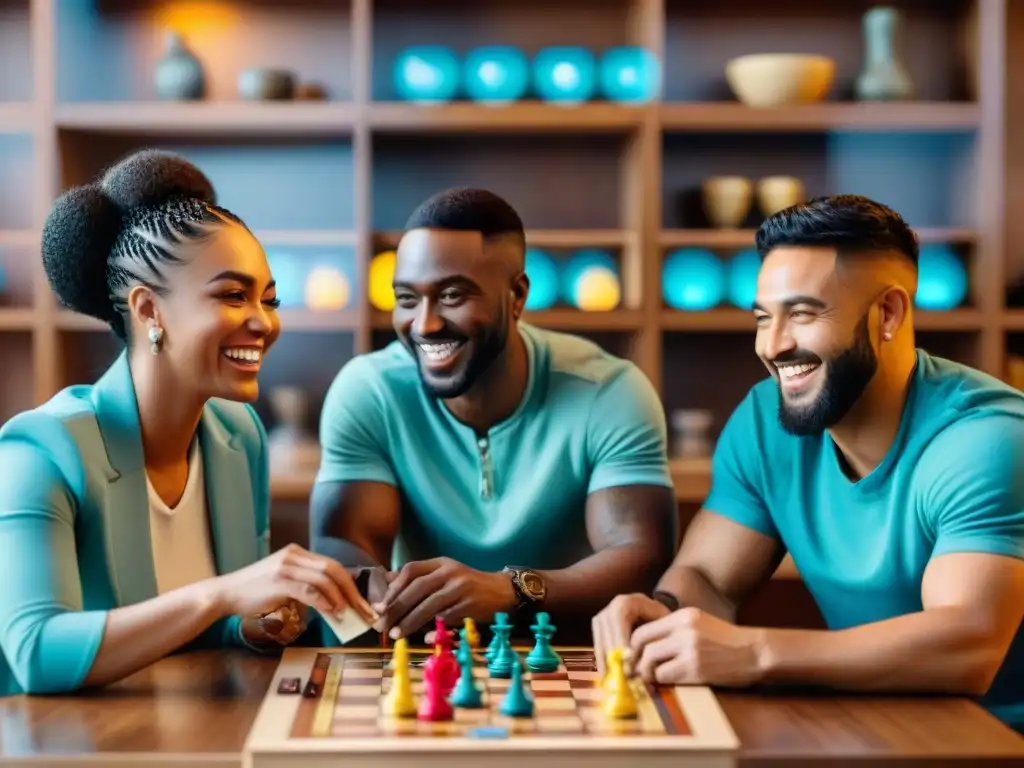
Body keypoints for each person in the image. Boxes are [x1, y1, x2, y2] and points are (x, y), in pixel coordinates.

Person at [592, 194, 1024, 733]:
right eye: (762, 318)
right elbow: (710, 578)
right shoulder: (763, 423)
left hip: (997, 742)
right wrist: (662, 612)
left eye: (801, 313)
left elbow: (968, 644)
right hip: (869, 727)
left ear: (887, 313)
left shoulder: (986, 440)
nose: (772, 345)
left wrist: (755, 653)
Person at [0, 150, 373, 696]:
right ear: (149, 310)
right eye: (232, 295)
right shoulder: (40, 451)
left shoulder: (238, 436)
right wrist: (222, 595)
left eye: (269, 299)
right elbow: (34, 649)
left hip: (191, 734)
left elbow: (210, 626)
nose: (263, 322)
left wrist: (252, 622)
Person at [311, 187, 678, 641]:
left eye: (451, 296)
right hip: (427, 654)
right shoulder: (368, 390)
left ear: (517, 295)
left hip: (569, 654)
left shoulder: (609, 390)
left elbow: (639, 557)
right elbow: (343, 547)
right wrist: (379, 591)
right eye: (407, 299)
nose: (424, 324)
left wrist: (511, 590)